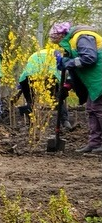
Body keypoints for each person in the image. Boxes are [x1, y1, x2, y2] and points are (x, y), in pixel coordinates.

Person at [50, 21, 102, 153]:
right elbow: (77, 68)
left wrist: (68, 62)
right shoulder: (73, 42)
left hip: (99, 78)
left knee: (98, 109)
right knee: (91, 109)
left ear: (62, 35)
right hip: (94, 81)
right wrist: (67, 85)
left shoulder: (82, 37)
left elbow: (89, 59)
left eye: (57, 40)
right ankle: (94, 143)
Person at [17, 46, 69, 129]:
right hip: (49, 75)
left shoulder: (34, 55)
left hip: (27, 77)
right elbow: (61, 66)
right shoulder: (55, 52)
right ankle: (65, 122)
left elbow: (27, 70)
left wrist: (21, 87)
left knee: (31, 101)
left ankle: (32, 124)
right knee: (57, 99)